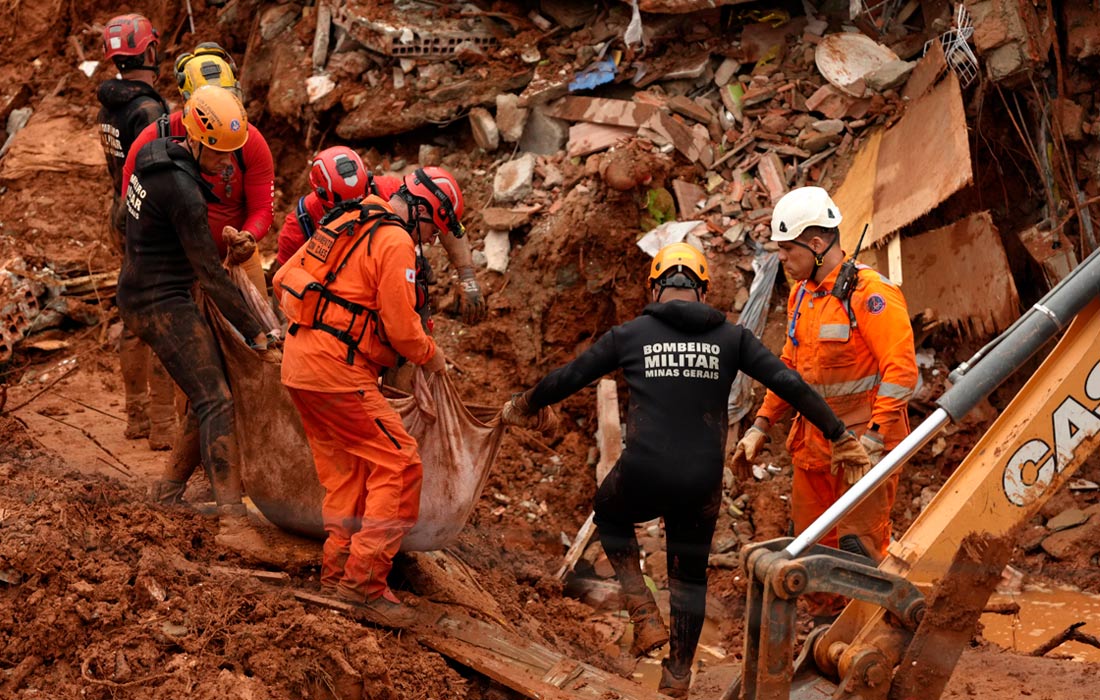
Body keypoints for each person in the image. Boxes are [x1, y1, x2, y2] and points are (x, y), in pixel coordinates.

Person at [500, 242, 871, 698]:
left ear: (656, 286)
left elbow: (570, 375)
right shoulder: (732, 338)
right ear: (702, 289)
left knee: (610, 512)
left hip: (643, 471)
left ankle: (641, 610)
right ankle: (677, 676)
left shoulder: (631, 334)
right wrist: (838, 433)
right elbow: (789, 383)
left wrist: (525, 404)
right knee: (689, 577)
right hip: (701, 482)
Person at [271, 167, 464, 626]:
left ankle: (337, 573)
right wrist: (431, 357)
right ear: (422, 212)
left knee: (349, 473)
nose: (431, 242)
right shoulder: (396, 242)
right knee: (399, 463)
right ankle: (365, 585)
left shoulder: (346, 219)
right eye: (434, 231)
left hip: (299, 365)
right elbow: (401, 329)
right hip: (337, 371)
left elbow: (283, 277)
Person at [732, 186, 918, 615]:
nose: (781, 258)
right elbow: (789, 370)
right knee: (812, 557)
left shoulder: (869, 295)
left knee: (859, 553)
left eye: (786, 249)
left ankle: (870, 640)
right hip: (812, 451)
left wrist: (874, 440)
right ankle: (824, 643)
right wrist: (762, 424)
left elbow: (901, 370)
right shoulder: (803, 295)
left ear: (816, 244)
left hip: (862, 452)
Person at [118, 85, 275, 550]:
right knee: (217, 399)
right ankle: (232, 521)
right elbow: (209, 273)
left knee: (208, 381)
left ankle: (166, 492)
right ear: (199, 140)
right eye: (222, 155)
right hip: (157, 301)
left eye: (235, 154)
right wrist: (260, 330)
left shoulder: (157, 154)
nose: (230, 165)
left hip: (149, 285)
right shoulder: (184, 191)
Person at [122, 42, 274, 296]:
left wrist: (247, 237)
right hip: (173, 265)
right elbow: (131, 205)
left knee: (263, 328)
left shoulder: (249, 142)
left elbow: (262, 209)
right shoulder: (152, 139)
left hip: (235, 258)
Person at [274, 153, 486, 327]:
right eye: (344, 209)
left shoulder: (392, 192)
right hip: (340, 313)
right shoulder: (299, 226)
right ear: (321, 198)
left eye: (361, 202)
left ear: (368, 184)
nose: (354, 214)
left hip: (398, 288)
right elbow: (284, 286)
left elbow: (444, 215)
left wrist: (467, 276)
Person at [96, 13, 176, 449]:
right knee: (164, 317)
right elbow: (159, 170)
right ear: (149, 50)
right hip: (148, 220)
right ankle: (163, 425)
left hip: (120, 212)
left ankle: (136, 416)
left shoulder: (109, 103)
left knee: (132, 317)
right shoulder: (147, 109)